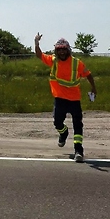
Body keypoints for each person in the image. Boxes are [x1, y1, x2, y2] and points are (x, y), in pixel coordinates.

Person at [34, 33, 96, 163]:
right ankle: (63, 133)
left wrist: (93, 88)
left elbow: (88, 74)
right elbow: (39, 55)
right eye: (59, 50)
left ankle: (78, 151)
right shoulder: (53, 61)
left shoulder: (76, 63)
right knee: (57, 123)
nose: (62, 52)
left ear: (68, 50)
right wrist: (36, 43)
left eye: (64, 49)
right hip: (60, 98)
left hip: (74, 99)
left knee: (78, 125)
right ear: (56, 51)